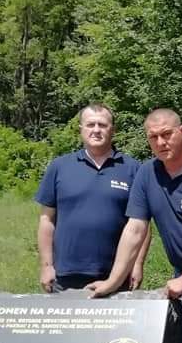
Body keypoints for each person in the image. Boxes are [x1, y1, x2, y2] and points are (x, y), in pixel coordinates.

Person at [89, 109, 182, 343]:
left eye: (167, 134)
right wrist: (112, 281)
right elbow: (135, 228)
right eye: (153, 137)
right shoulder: (147, 173)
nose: (161, 142)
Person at [35, 105, 149, 292]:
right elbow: (46, 220)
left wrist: (137, 264)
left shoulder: (134, 169)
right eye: (90, 124)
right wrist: (46, 266)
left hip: (117, 275)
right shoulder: (59, 167)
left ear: (113, 130)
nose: (96, 130)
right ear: (81, 129)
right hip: (66, 274)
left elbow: (142, 225)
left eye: (102, 125)